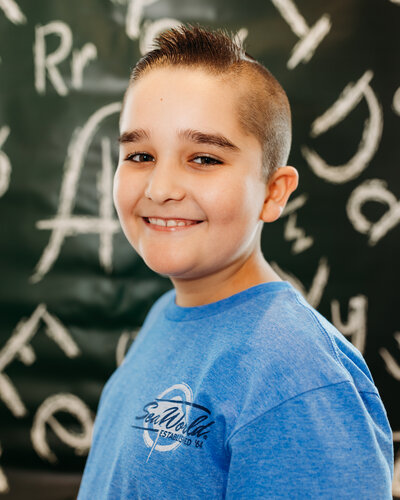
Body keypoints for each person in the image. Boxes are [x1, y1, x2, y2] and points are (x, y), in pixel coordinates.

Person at [78, 24, 393, 499]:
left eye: (203, 159)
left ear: (273, 191)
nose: (160, 188)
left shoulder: (296, 376)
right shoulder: (166, 317)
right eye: (140, 155)